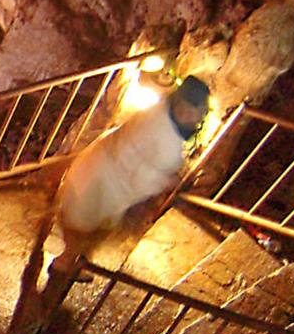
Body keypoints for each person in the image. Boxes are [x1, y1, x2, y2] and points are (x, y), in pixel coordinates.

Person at [52, 74, 211, 271]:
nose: (194, 116)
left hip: (99, 170)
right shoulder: (167, 142)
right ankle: (63, 268)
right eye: (192, 111)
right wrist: (165, 182)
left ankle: (71, 261)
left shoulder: (159, 109)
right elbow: (143, 177)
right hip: (104, 187)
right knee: (84, 232)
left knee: (83, 225)